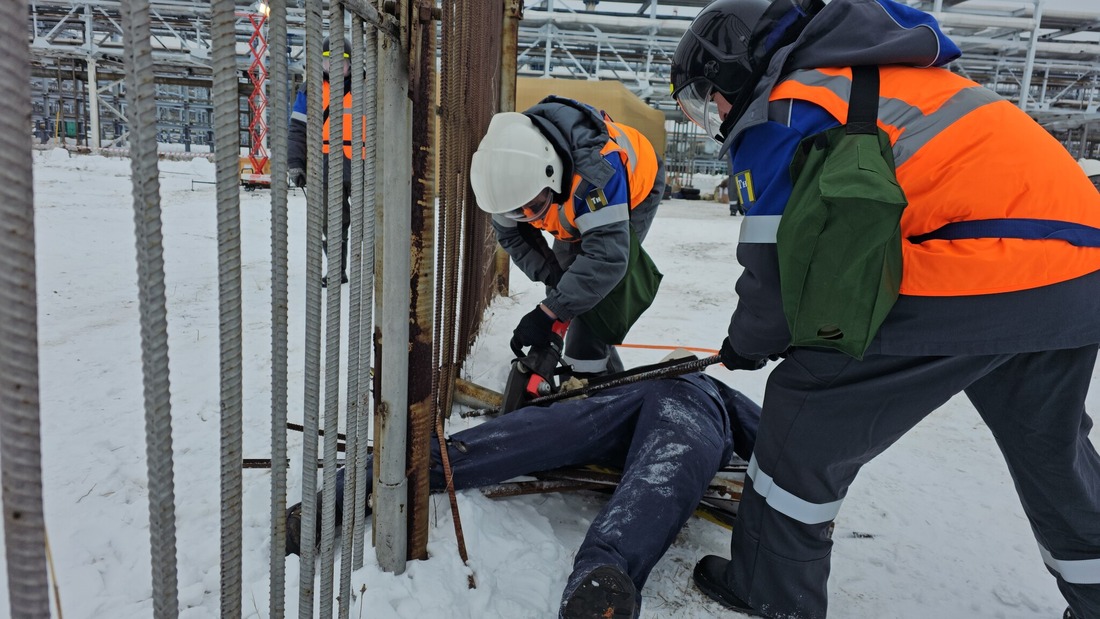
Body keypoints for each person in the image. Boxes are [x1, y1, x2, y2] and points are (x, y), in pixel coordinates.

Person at [669, 0, 1100, 617]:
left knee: (804, 414)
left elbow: (773, 271)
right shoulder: (895, 77)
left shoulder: (789, 105)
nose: (712, 111)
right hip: (1081, 273)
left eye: (708, 96)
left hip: (978, 268)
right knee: (1051, 449)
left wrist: (751, 342)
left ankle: (771, 592)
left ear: (736, 68)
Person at [286, 370, 761, 618]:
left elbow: (777, 436)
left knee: (656, 475)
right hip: (640, 400)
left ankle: (602, 579)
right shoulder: (695, 388)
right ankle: (371, 477)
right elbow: (772, 436)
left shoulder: (716, 395)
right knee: (541, 436)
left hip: (672, 402)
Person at [468, 97, 666, 377]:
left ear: (552, 174)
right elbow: (515, 239)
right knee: (573, 283)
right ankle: (600, 374)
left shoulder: (595, 173)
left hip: (636, 188)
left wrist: (551, 311)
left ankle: (592, 382)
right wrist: (558, 293)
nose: (532, 219)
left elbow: (607, 259)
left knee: (601, 292)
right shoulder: (506, 178)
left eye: (535, 207)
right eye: (518, 213)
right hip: (574, 198)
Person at [287, 35, 364, 287]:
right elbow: (297, 129)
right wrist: (296, 164)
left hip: (362, 165)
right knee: (331, 222)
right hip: (325, 166)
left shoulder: (365, 86)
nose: (333, 67)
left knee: (369, 220)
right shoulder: (310, 90)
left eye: (340, 61)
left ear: (350, 63)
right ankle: (336, 270)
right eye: (327, 61)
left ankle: (374, 270)